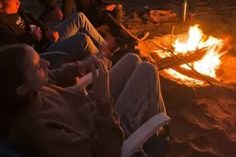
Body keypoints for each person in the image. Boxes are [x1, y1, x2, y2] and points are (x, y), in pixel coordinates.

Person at [0, 43, 166, 157]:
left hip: (91, 112)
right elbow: (103, 152)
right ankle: (159, 135)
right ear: (21, 89)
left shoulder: (31, 89)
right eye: (38, 67)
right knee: (147, 70)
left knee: (132, 59)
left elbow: (54, 75)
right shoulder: (39, 132)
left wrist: (83, 64)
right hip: (110, 135)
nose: (47, 63)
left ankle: (157, 129)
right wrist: (104, 100)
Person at [0, 0, 113, 64]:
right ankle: (107, 65)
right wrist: (32, 38)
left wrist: (47, 30)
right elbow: (15, 53)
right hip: (40, 55)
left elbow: (34, 20)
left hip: (47, 39)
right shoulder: (3, 26)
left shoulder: (15, 11)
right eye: (15, 1)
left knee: (79, 17)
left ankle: (106, 50)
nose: (19, 3)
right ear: (0, 4)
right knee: (83, 40)